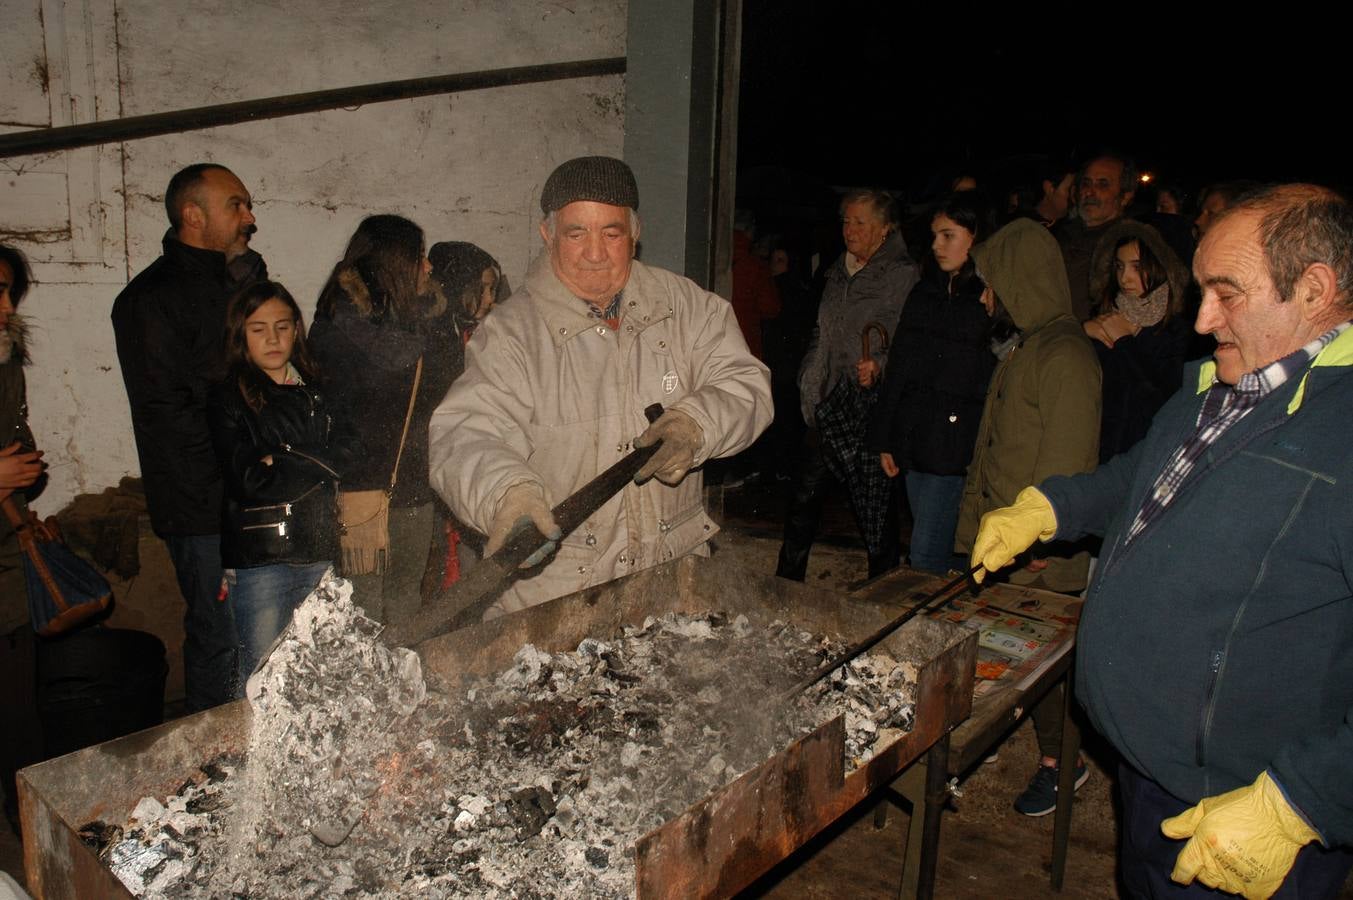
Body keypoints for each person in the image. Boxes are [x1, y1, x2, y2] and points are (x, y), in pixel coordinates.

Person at [970, 184, 1353, 899]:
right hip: (1146, 769)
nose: (1202, 320)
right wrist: (1049, 506)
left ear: (1313, 289)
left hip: (1242, 812)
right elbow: (1136, 476)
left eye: (1225, 293)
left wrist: (1302, 802)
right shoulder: (1216, 386)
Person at [427, 155, 772, 618]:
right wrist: (507, 495)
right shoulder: (511, 335)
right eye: (576, 234)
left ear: (635, 233)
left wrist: (696, 424)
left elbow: (745, 383)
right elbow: (466, 434)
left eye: (611, 233)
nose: (595, 252)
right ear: (548, 235)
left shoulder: (688, 307)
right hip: (558, 601)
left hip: (673, 586)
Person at [954, 217, 1102, 816]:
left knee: (1046, 672)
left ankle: (1063, 766)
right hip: (1007, 539)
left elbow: (1067, 465)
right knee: (1000, 650)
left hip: (1039, 552)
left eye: (992, 283)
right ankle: (985, 736)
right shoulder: (1027, 346)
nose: (987, 296)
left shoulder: (1065, 355)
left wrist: (1041, 539)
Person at [111, 163, 264, 711]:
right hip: (205, 507)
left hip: (253, 494)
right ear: (193, 215)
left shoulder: (240, 284)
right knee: (220, 638)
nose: (250, 218)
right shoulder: (148, 299)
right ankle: (215, 764)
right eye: (236, 205)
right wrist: (236, 485)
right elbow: (169, 416)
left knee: (267, 635)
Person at [207, 281, 355, 691]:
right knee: (261, 676)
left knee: (320, 673)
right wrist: (317, 459)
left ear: (296, 330)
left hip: (319, 549)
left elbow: (351, 453)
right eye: (258, 329)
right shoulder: (228, 398)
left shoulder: (319, 390)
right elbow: (251, 481)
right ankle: (248, 755)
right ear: (241, 335)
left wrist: (282, 457)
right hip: (261, 559)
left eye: (282, 327)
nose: (273, 339)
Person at [777, 189, 919, 581]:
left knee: (873, 506)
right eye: (846, 221)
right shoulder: (837, 270)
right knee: (803, 497)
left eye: (859, 222)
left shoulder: (902, 274)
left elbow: (908, 340)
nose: (849, 230)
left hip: (870, 406)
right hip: (829, 402)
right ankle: (785, 585)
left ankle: (884, 586)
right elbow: (822, 333)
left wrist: (881, 365)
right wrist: (810, 383)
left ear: (885, 228)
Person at [308, 215, 434, 626]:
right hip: (358, 499)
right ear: (394, 265)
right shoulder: (335, 332)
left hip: (412, 488)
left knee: (404, 607)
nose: (428, 268)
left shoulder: (420, 329)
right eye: (420, 258)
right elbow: (328, 420)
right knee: (362, 616)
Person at [867, 192, 996, 574]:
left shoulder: (990, 298)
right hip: (916, 436)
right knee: (941, 547)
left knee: (924, 555)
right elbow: (901, 366)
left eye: (948, 235)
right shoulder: (925, 291)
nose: (938, 245)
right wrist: (886, 437)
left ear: (976, 238)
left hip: (956, 445)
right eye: (934, 236)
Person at [420, 241, 506, 593]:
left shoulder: (485, 332)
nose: (489, 300)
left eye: (492, 289)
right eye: (481, 289)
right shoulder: (436, 338)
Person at [0, 245, 46, 830]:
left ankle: (32, 840)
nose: (7, 306)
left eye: (11, 291)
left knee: (17, 714)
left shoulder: (5, 362)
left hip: (5, 564)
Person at [1083, 221, 1190, 461]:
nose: (1125, 278)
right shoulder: (1106, 314)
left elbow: (1163, 399)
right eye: (1119, 267)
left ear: (1161, 267)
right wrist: (1079, 334)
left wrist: (1124, 340)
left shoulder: (1176, 330)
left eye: (1137, 267)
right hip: (1098, 453)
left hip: (1144, 457)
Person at [1055, 153, 1137, 321]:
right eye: (1086, 183)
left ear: (1125, 196)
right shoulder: (1059, 234)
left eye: (1103, 184)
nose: (1089, 192)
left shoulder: (1128, 246)